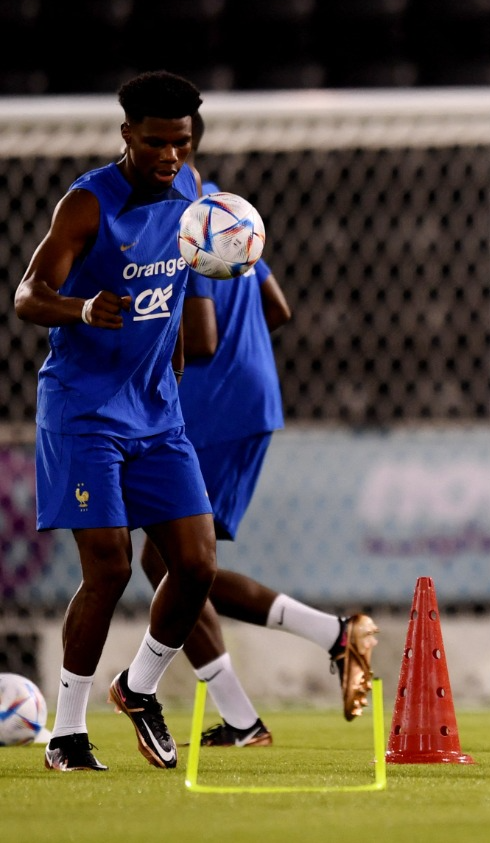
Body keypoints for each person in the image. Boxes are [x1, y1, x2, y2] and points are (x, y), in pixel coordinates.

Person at [137, 111, 379, 747]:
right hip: (250, 396)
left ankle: (324, 644)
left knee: (174, 564)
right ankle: (253, 709)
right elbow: (278, 308)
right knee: (178, 564)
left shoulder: (177, 221)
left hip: (211, 406)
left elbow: (202, 341)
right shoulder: (227, 210)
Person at [14, 71, 215, 771]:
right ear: (127, 135)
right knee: (109, 565)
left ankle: (137, 685)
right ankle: (65, 732)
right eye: (156, 142)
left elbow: (178, 295)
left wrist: (175, 372)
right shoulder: (87, 205)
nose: (169, 156)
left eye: (180, 144)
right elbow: (27, 294)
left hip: (158, 415)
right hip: (84, 413)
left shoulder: (192, 198)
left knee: (195, 563)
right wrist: (81, 307)